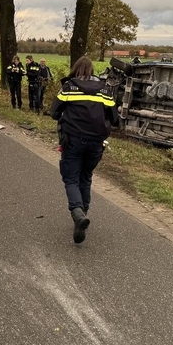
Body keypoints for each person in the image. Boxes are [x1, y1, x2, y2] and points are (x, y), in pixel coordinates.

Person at [49, 56, 118, 244]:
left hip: (73, 140)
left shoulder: (69, 87)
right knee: (86, 177)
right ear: (92, 70)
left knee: (71, 178)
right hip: (96, 142)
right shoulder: (105, 90)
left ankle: (77, 213)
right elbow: (115, 119)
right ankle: (82, 216)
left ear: (76, 69)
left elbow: (54, 113)